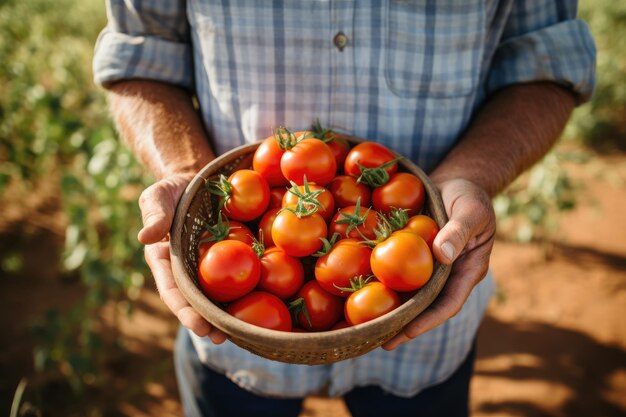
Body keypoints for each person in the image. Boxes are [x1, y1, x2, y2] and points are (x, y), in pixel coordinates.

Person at [93, 1, 595, 416]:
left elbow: (545, 62)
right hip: (234, 346)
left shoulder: (321, 218)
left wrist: (473, 175)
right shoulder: (327, 224)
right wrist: (186, 171)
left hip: (426, 335)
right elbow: (140, 55)